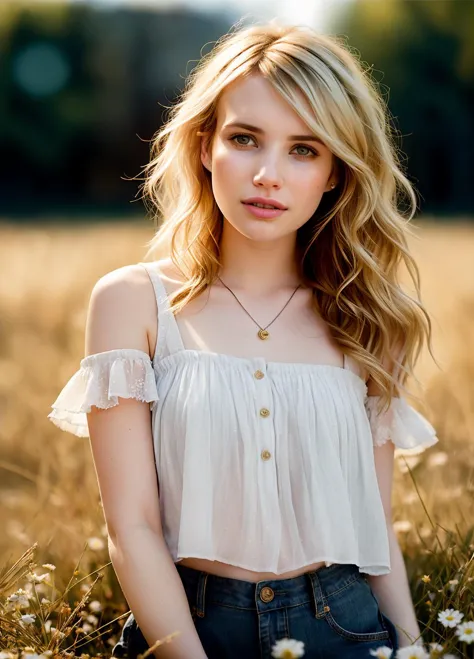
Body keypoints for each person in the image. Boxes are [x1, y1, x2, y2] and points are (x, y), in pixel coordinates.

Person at [48, 21, 440, 659]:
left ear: (338, 171)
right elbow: (132, 527)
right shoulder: (133, 303)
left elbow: (373, 531)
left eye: (305, 150)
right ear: (205, 147)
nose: (267, 174)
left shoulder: (367, 321)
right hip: (187, 630)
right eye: (245, 139)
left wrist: (416, 648)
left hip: (346, 629)